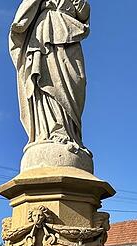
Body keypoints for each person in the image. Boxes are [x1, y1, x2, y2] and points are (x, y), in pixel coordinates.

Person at [9, 0, 91, 150]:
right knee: (46, 79)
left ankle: (72, 134)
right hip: (45, 32)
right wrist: (20, 23)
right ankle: (51, 132)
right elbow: (29, 5)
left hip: (70, 32)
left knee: (76, 82)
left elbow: (83, 14)